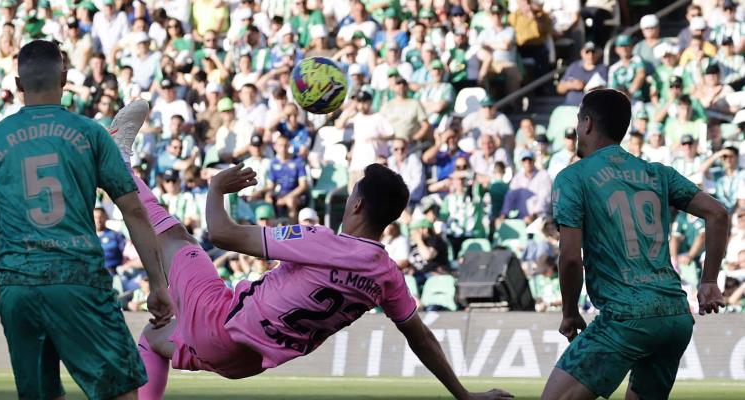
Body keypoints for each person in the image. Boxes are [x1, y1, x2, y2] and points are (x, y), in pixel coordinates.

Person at [100, 103, 512, 400]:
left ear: (356, 205)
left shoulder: (321, 241)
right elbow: (420, 337)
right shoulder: (389, 276)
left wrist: (215, 189)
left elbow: (220, 234)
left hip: (220, 324)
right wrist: (463, 394)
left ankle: (118, 160)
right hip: (244, 364)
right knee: (155, 337)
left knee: (178, 240)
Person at [0, 40, 171, 400]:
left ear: (17, 84)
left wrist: (3, 258)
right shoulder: (90, 134)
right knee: (118, 393)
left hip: (17, 287)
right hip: (77, 280)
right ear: (66, 79)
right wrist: (158, 284)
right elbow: (133, 210)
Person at [541, 89, 729, 400]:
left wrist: (570, 312)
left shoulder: (573, 177)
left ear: (587, 123)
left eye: (577, 121)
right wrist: (709, 280)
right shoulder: (657, 173)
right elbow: (718, 213)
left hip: (626, 315)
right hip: (675, 315)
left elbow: (571, 257)